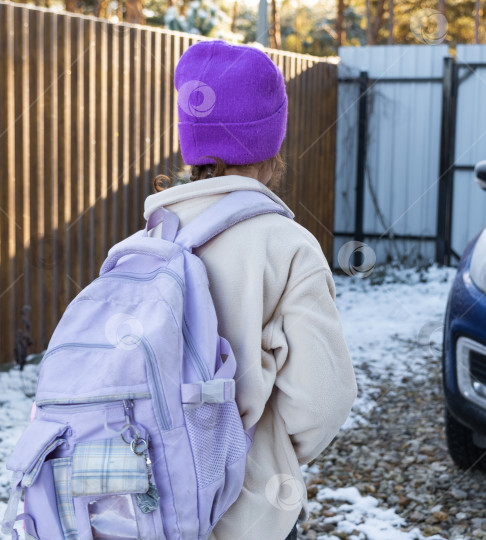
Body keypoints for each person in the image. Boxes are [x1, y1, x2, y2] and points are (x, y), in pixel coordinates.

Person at [144, 40, 357, 540]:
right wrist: (269, 454)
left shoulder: (149, 240)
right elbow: (323, 401)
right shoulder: (287, 246)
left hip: (149, 507)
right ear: (271, 143)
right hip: (250, 514)